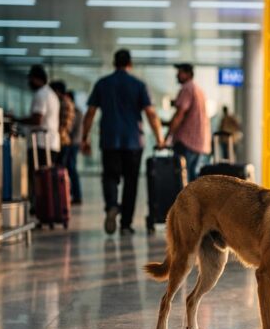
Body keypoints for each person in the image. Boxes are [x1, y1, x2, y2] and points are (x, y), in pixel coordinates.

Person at [81, 49, 163, 235]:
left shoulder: (102, 84)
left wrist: (84, 137)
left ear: (114, 63)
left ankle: (111, 205)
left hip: (109, 140)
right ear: (130, 64)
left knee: (110, 177)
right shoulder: (139, 85)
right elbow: (151, 113)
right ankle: (126, 225)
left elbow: (90, 113)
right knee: (130, 183)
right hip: (133, 141)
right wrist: (159, 137)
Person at [15, 65, 61, 209]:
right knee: (46, 178)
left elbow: (37, 120)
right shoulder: (51, 94)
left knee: (38, 178)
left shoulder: (41, 94)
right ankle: (48, 206)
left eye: (30, 79)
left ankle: (40, 206)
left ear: (35, 79)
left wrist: (17, 119)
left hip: (40, 144)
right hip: (51, 143)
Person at [167, 63, 212, 181]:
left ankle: (185, 200)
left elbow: (179, 114)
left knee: (182, 178)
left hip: (187, 142)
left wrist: (167, 137)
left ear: (188, 74)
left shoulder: (187, 88)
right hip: (199, 143)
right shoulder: (198, 90)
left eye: (180, 72)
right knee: (192, 177)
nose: (177, 75)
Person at [63, 91, 84, 205]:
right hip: (73, 142)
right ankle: (72, 194)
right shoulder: (77, 111)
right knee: (70, 168)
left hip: (72, 143)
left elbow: (70, 128)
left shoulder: (74, 111)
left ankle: (76, 195)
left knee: (71, 168)